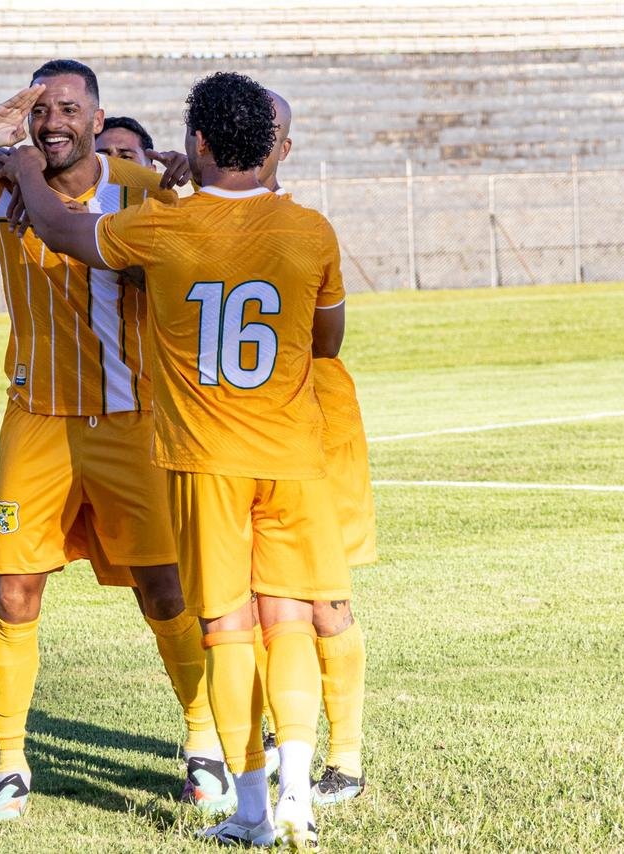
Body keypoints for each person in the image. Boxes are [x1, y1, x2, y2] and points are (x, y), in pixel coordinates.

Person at [0, 70, 348, 848]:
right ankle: (300, 795)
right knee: (288, 618)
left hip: (204, 457)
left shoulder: (166, 228)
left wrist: (24, 165)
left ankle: (252, 811)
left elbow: (60, 232)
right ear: (269, 146)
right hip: (291, 454)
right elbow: (327, 341)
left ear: (194, 143)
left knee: (226, 628)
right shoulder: (313, 230)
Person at [0, 60, 228, 824]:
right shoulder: (3, 192)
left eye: (69, 107)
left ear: (98, 119)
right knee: (10, 589)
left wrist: (178, 181)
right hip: (36, 424)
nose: (53, 120)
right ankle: (7, 763)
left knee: (164, 590)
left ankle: (203, 746)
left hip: (130, 426)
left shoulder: (139, 189)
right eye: (40, 109)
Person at [256, 89, 375, 806]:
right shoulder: (194, 219)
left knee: (323, 601)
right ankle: (275, 739)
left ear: (283, 148)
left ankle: (346, 759)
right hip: (233, 437)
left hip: (315, 429)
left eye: (267, 132)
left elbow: (328, 340)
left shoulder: (303, 228)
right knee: (250, 602)